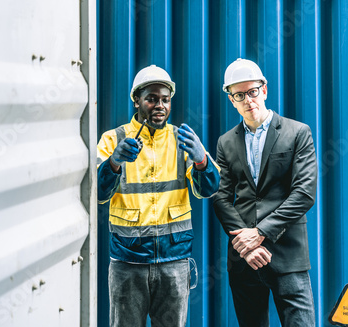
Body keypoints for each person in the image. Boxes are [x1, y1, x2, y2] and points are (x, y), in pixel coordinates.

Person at [97, 64, 220, 327]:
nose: (160, 105)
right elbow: (96, 192)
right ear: (136, 101)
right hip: (127, 263)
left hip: (174, 262)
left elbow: (208, 189)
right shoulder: (113, 139)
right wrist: (114, 163)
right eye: (151, 99)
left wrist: (201, 161)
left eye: (165, 99)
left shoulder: (182, 140)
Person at [212, 58, 318, 327]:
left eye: (253, 92)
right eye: (239, 95)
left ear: (265, 90)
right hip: (244, 259)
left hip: (288, 255)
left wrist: (259, 233)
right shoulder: (225, 142)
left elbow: (304, 193)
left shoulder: (297, 133)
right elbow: (221, 197)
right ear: (231, 100)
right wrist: (246, 246)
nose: (248, 100)